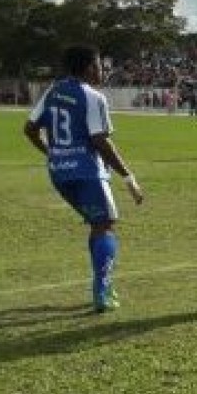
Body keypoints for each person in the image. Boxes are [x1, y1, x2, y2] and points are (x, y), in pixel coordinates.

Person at [24, 45, 144, 313]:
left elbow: (30, 129)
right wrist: (128, 177)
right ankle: (102, 290)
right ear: (90, 67)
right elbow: (100, 140)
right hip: (87, 171)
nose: (103, 70)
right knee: (105, 224)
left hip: (59, 173)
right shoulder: (92, 97)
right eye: (100, 65)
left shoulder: (52, 91)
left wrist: (51, 153)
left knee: (96, 223)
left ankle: (101, 284)